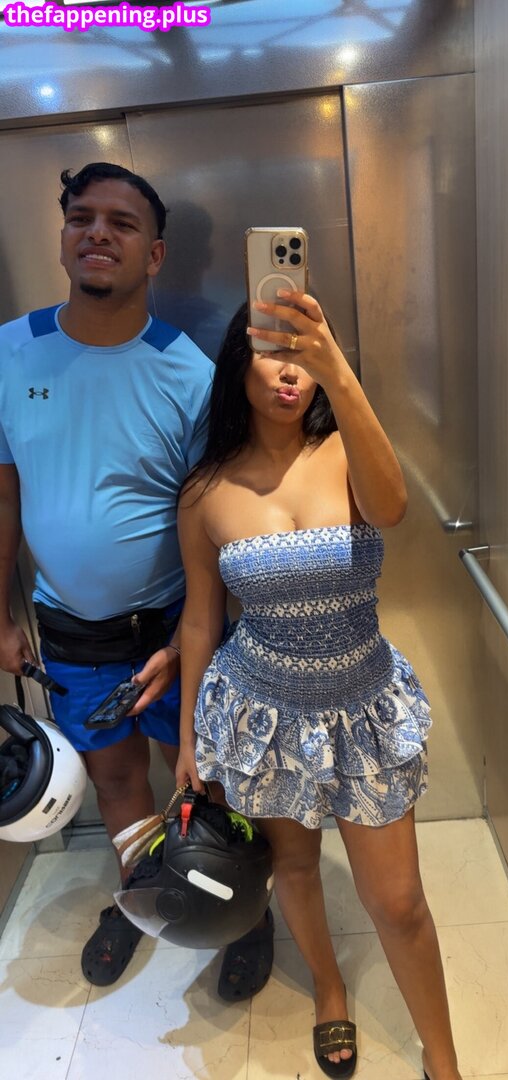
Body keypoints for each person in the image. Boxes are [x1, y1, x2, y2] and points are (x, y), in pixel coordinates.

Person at [0, 162, 273, 997]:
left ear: (154, 256)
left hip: (174, 623)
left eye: (121, 223)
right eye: (82, 217)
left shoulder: (187, 372)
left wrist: (195, 637)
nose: (97, 233)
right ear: (62, 239)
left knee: (204, 776)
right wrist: (3, 615)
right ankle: (145, 896)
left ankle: (243, 912)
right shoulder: (9, 350)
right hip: (67, 628)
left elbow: (213, 521)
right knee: (116, 778)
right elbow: (5, 493)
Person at [176, 293, 463, 1080]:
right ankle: (329, 989)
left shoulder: (346, 451)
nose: (289, 372)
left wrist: (336, 367)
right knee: (295, 867)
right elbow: (200, 622)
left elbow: (392, 508)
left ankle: (443, 1061)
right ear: (238, 365)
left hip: (363, 709)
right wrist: (191, 736)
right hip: (260, 715)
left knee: (398, 902)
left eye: (305, 353)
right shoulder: (205, 492)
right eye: (273, 351)